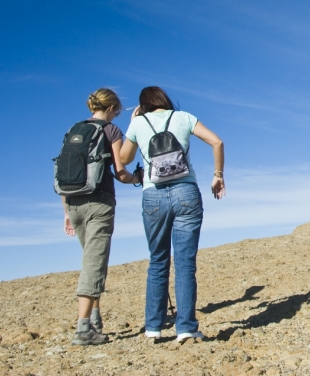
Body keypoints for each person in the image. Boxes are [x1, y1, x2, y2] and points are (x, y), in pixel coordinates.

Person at [120, 86, 225, 343]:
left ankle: (153, 328)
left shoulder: (138, 123)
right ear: (164, 100)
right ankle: (186, 329)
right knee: (185, 264)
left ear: (143, 104)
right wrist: (218, 176)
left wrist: (133, 124)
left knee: (158, 261)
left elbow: (123, 158)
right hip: (186, 192)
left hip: (152, 195)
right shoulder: (183, 117)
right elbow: (217, 141)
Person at [63, 88, 141, 346]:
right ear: (110, 109)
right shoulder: (111, 131)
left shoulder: (75, 129)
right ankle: (83, 329)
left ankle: (95, 318)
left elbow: (67, 169)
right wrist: (137, 179)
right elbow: (120, 171)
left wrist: (66, 212)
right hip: (99, 202)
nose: (117, 115)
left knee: (92, 259)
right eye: (117, 111)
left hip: (73, 203)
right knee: (94, 263)